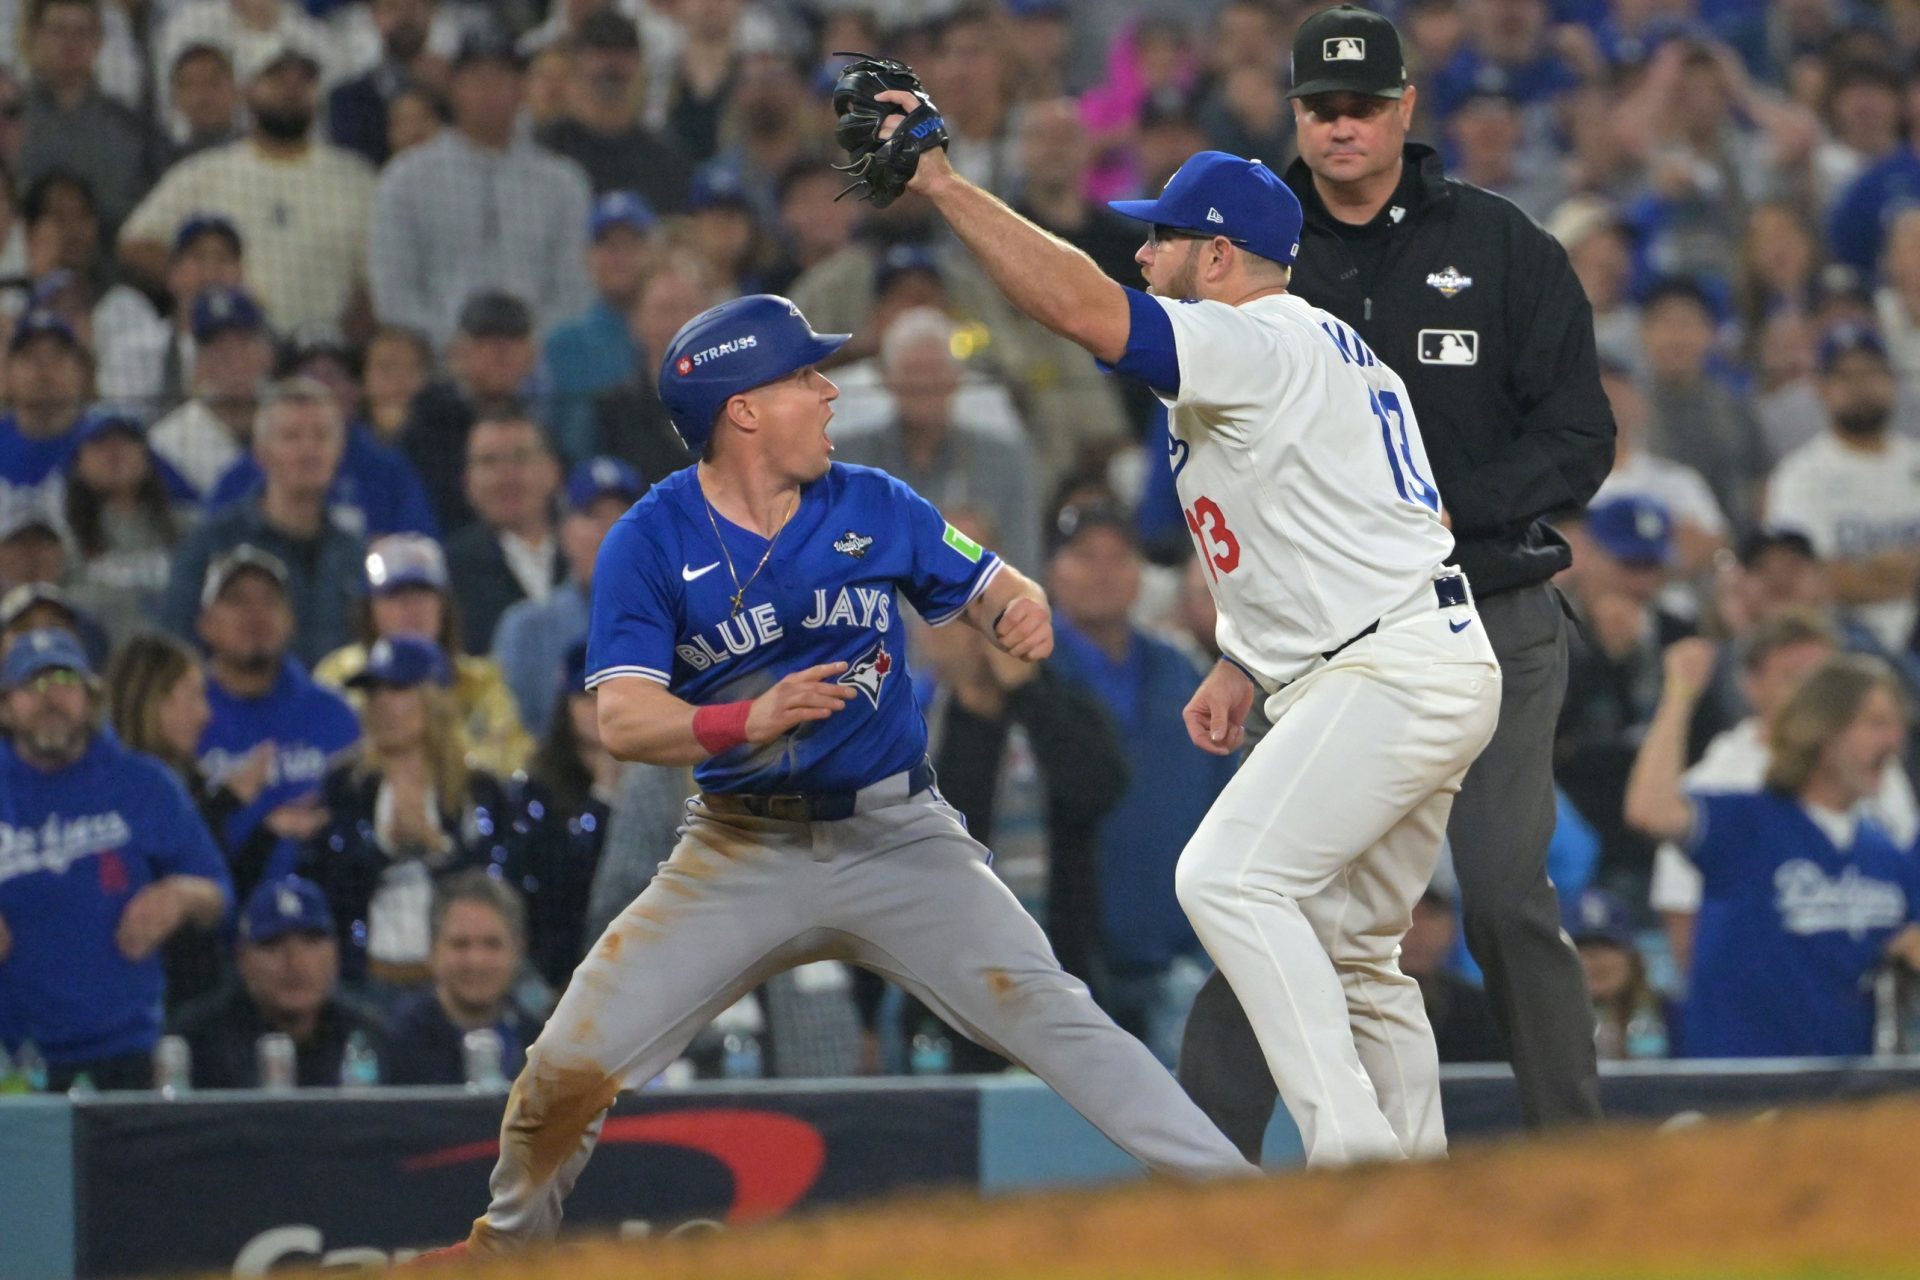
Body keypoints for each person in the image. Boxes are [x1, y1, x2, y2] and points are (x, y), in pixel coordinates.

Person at [419, 295, 1253, 1263]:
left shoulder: (871, 500)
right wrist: (746, 718)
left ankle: (1250, 1207)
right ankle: (502, 1253)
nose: (829, 393)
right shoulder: (649, 540)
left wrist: (1014, 607)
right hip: (737, 846)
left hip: (898, 836)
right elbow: (624, 718)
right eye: (804, 377)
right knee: (567, 1062)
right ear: (742, 410)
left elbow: (990, 580)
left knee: (1059, 1015)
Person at [844, 33, 1509, 1164]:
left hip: (1389, 672)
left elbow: (1085, 312)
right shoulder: (1330, 351)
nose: (1144, 251)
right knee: (1359, 955)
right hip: (1415, 654)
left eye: (1163, 236)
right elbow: (1397, 520)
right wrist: (1249, 657)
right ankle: (1420, 1196)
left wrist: (945, 185)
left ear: (1220, 255)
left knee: (1228, 878)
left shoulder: (1255, 337)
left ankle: (1352, 1162)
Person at [1152, 4, 1615, 1148]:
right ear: (1295, 113)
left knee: (1500, 895)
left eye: (1364, 104)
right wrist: (1240, 649)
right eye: (1322, 106)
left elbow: (1582, 436)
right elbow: (1244, 488)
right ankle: (1205, 1176)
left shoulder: (1503, 244)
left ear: (1406, 106)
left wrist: (1460, 508)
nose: (1342, 125)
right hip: (1327, 643)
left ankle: (1577, 1169)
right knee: (1290, 899)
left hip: (1493, 606)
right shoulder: (1252, 242)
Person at [1626, 644, 1920, 1059]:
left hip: (1843, 1089)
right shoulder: (1747, 823)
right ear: (1823, 730)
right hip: (1742, 1084)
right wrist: (1679, 696)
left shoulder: (1884, 852)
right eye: (1876, 723)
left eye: (1897, 725)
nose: (1895, 740)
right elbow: (1651, 810)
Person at [1044, 502, 1236, 1064]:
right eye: (1086, 556)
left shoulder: (1181, 670)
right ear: (1052, 571)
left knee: (1195, 1105)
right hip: (1060, 963)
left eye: (1118, 556)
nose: (1103, 572)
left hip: (1177, 960)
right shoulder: (1027, 673)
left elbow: (1228, 801)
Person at [0, 628, 231, 1090]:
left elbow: (219, 895)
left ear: (91, 699)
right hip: (13, 1058)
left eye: (65, 682)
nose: (51, 698)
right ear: (5, 707)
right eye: (33, 685)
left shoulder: (143, 783)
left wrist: (180, 894)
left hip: (128, 1051)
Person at [1647, 610, 1918, 979]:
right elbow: (1682, 912)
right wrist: (1679, 697)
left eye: (1824, 680)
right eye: (1795, 677)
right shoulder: (1720, 784)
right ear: (1752, 685)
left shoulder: (1877, 773)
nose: (1812, 696)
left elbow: (1902, 893)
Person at [116, 38, 376, 332]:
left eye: (303, 81)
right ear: (246, 89)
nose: (290, 90)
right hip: (230, 342)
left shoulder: (355, 177)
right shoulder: (205, 171)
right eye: (276, 79)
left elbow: (375, 277)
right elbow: (136, 243)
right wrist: (202, 288)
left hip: (321, 346)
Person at [299, 635, 512, 993]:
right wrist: (385, 850)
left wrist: (436, 849)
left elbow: (499, 885)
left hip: (461, 983)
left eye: (397, 689)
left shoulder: (479, 790)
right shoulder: (345, 787)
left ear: (435, 698)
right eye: (373, 692)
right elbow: (328, 881)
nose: (381, 704)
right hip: (367, 980)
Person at [367, 31, 593, 350]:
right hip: (437, 365)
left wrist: (520, 350)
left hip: (541, 366)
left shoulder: (563, 184)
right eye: (476, 80)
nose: (489, 93)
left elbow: (576, 293)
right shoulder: (405, 179)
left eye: (501, 80)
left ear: (522, 89)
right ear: (453, 87)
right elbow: (393, 295)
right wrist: (460, 347)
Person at [104, 630, 274, 1008]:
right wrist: (224, 803)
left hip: (196, 998)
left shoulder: (193, 784)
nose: (206, 714)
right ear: (156, 702)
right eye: (194, 696)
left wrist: (266, 833)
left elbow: (220, 894)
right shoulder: (105, 796)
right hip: (136, 999)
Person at [162, 377, 365, 666]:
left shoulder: (352, 551)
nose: (309, 450)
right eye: (291, 437)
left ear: (340, 449)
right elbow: (176, 645)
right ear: (261, 453)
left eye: (321, 436)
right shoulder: (212, 545)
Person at [191, 545, 360, 879]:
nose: (256, 614)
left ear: (291, 621)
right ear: (206, 623)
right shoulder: (186, 718)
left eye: (270, 600)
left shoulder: (333, 713)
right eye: (237, 600)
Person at [314, 535, 532, 779]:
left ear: (444, 606)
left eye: (424, 593)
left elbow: (512, 763)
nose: (411, 607)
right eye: (395, 595)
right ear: (369, 610)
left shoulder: (481, 681)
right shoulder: (339, 676)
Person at [1766, 325, 1920, 657]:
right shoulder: (1801, 475)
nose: (1860, 386)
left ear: (1893, 381)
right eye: (1844, 376)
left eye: (1872, 372)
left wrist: (1865, 570)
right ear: (1821, 388)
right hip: (1843, 642)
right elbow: (1808, 580)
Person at [169, 875, 391, 1089]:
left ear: (335, 954)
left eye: (310, 941)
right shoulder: (196, 1043)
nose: (295, 963)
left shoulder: (373, 1037)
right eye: (272, 944)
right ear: (242, 959)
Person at [492, 457, 640, 737]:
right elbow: (509, 739)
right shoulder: (526, 629)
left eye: (625, 515)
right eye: (592, 515)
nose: (610, 530)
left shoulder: (684, 619)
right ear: (563, 531)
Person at [504, 642, 620, 990]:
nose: (599, 708)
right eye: (586, 697)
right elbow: (558, 879)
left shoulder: (658, 777)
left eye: (609, 695)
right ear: (565, 706)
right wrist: (603, 797)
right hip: (559, 958)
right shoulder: (535, 789)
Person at [15, 0, 165, 236]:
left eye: (81, 31)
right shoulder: (11, 118)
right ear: (33, 37)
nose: (70, 42)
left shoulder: (130, 127)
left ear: (98, 41)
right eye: (58, 30)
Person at [398, 291, 543, 533]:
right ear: (459, 352)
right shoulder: (425, 428)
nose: (500, 352)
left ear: (531, 356)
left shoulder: (542, 424)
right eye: (485, 340)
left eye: (513, 339)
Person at [384, 871, 546, 1085]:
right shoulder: (392, 1039)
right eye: (460, 944)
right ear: (432, 952)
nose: (476, 960)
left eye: (492, 944)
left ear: (518, 951)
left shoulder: (542, 1043)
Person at [60, 406, 197, 646]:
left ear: (147, 457)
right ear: (79, 462)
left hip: (179, 660)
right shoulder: (62, 538)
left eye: (126, 442)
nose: (114, 453)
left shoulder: (189, 529)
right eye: (100, 444)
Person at [541, 191, 655, 464]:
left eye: (631, 244)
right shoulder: (563, 344)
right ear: (588, 256)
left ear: (652, 253)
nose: (620, 257)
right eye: (608, 246)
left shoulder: (677, 330)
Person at [444, 412, 566, 656]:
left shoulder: (589, 559)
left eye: (521, 458)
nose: (507, 476)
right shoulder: (447, 570)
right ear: (467, 481)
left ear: (553, 471)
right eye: (489, 462)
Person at [147, 283, 278, 495]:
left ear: (266, 355)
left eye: (243, 345)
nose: (234, 361)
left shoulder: (295, 422)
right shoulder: (168, 442)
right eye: (218, 350)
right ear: (199, 364)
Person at [0, 308, 89, 523]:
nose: (44, 370)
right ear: (7, 373)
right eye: (29, 357)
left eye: (57, 357)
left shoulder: (110, 440)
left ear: (81, 372)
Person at [1562, 886, 1670, 1062]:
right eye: (1581, 945)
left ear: (1633, 957)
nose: (1595, 958)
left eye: (1608, 944)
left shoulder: (1673, 1018)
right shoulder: (1531, 1025)